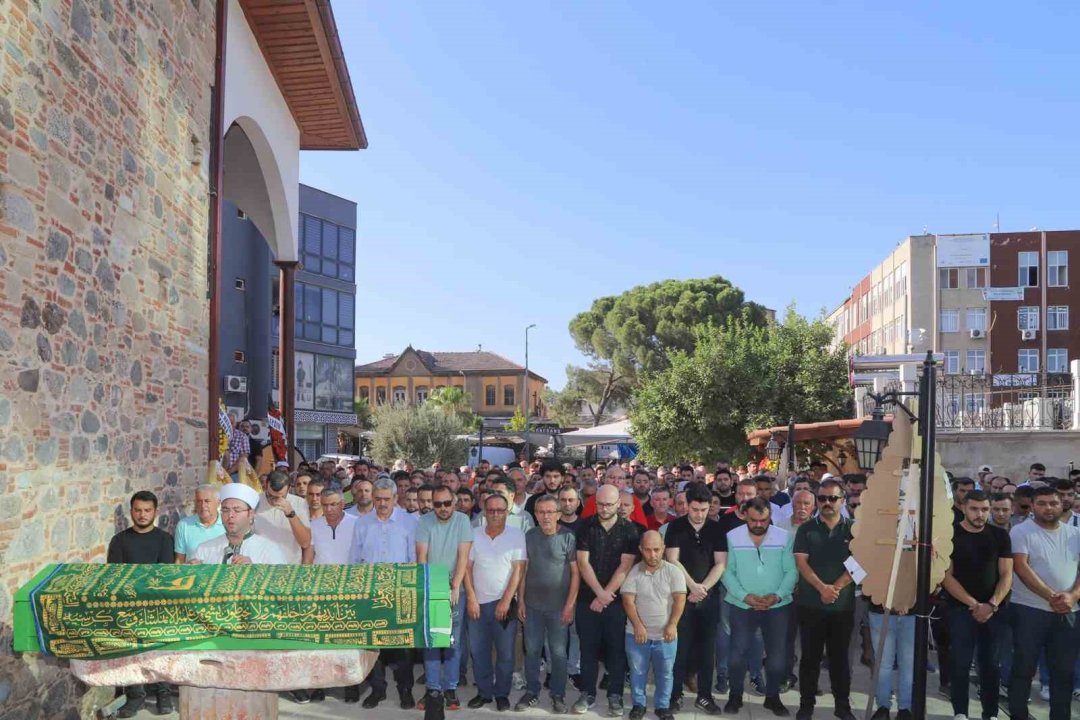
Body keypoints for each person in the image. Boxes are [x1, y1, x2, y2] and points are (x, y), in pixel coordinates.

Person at [1008, 486, 1080, 720]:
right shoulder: (1021, 532)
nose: (1048, 508)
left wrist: (1073, 596)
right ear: (1033, 506)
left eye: (1053, 503)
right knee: (1024, 668)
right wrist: (1052, 596)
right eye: (1042, 503)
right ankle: (1019, 715)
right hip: (1030, 611)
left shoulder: (1075, 534)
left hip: (1068, 611)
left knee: (1064, 672)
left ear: (1062, 505)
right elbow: (1021, 567)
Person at [940, 489, 1012, 720]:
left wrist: (991, 605)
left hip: (994, 611)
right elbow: (946, 577)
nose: (980, 514)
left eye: (984, 509)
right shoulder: (950, 535)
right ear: (963, 508)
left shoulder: (1000, 536)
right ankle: (960, 712)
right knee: (960, 663)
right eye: (974, 509)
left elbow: (1006, 574)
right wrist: (974, 604)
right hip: (960, 609)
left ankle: (990, 713)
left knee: (991, 665)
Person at [721, 498, 796, 716]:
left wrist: (777, 596)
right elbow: (726, 571)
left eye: (763, 520)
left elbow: (791, 571)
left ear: (770, 516)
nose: (758, 524)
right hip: (741, 605)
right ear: (744, 515)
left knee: (777, 655)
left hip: (777, 606)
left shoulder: (784, 537)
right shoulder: (732, 538)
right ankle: (735, 695)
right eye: (753, 520)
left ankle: (773, 697)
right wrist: (745, 596)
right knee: (736, 655)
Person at [572, 484, 641, 716]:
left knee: (616, 650)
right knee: (588, 649)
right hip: (586, 599)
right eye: (600, 504)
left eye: (609, 504)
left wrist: (605, 596)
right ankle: (588, 693)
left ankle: (615, 696)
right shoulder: (584, 526)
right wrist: (598, 594)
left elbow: (626, 565)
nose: (603, 508)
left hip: (616, 601)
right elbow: (583, 563)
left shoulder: (630, 530)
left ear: (618, 504)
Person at [353, 477, 419, 709]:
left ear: (395, 498)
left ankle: (405, 690)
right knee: (373, 645)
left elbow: (413, 559)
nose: (382, 503)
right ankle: (378, 690)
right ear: (373, 498)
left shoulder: (409, 523)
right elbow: (355, 559)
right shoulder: (362, 523)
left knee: (402, 647)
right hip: (370, 592)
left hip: (399, 592)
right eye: (378, 499)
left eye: (386, 499)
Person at [793, 479, 856, 720]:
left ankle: (843, 707)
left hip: (842, 607)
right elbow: (801, 563)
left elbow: (860, 565)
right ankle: (806, 705)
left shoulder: (854, 530)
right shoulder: (806, 529)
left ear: (843, 500)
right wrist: (822, 588)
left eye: (832, 498)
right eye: (822, 498)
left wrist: (836, 588)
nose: (827, 503)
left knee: (840, 660)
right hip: (811, 605)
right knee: (810, 658)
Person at [109, 491, 175, 718]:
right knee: (131, 650)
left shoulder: (165, 539)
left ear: (155, 512)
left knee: (161, 648)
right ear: (131, 512)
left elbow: (164, 576)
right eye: (138, 510)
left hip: (158, 605)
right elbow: (115, 577)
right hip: (129, 606)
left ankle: (163, 693)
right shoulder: (119, 541)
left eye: (147, 510)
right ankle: (135, 695)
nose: (142, 515)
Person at [664, 483, 727, 715]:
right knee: (679, 647)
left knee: (706, 649)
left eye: (704, 509)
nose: (699, 514)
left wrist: (703, 589)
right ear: (686, 506)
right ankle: (675, 694)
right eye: (694, 509)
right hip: (681, 596)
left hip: (708, 598)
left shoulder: (717, 529)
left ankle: (704, 696)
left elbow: (721, 563)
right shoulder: (675, 527)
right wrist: (692, 586)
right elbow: (672, 559)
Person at [463, 493, 527, 712]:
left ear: (507, 511)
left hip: (504, 604)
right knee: (479, 652)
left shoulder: (517, 535)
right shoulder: (473, 534)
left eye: (501, 510)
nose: (496, 515)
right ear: (484, 511)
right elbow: (467, 569)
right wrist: (471, 598)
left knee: (506, 653)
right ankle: (484, 692)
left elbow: (519, 569)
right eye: (491, 510)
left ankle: (501, 693)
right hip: (477, 604)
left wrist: (507, 601)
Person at [516, 495, 579, 713]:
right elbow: (522, 571)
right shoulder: (529, 536)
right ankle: (532, 692)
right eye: (541, 512)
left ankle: (557, 695)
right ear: (535, 515)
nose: (545, 516)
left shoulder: (568, 537)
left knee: (559, 653)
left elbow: (575, 574)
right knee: (532, 650)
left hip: (559, 608)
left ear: (559, 514)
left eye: (550, 512)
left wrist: (570, 605)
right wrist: (521, 600)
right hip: (532, 606)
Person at [416, 485, 474, 712]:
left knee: (453, 641)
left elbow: (463, 557)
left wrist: (456, 586)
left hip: (454, 586)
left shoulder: (463, 521)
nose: (442, 508)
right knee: (431, 640)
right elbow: (421, 556)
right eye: (437, 504)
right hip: (432, 585)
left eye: (446, 503)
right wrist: (427, 588)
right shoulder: (424, 522)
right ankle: (432, 687)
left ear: (454, 502)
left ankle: (450, 687)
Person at [622, 530, 687, 720]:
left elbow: (679, 600)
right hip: (636, 634)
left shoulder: (674, 571)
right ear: (641, 549)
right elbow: (628, 601)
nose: (653, 555)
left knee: (666, 673)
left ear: (664, 548)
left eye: (657, 550)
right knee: (637, 671)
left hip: (666, 634)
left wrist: (672, 625)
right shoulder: (633, 572)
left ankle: (662, 706)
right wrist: (638, 627)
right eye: (648, 550)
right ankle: (638, 705)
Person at [307, 486, 361, 703]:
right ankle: (321, 685)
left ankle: (351, 686)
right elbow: (309, 558)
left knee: (349, 643)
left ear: (342, 504)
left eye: (333, 504)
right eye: (325, 504)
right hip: (321, 591)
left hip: (349, 591)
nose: (329, 509)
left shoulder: (356, 524)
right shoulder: (314, 526)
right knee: (322, 642)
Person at [189, 483, 288, 565]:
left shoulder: (269, 550)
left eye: (237, 510)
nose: (230, 515)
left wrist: (254, 571)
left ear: (251, 514)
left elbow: (280, 585)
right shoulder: (204, 550)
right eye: (226, 510)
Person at [255, 470, 313, 564]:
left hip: (290, 567)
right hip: (261, 566)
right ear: (266, 485)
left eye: (281, 497)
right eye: (271, 496)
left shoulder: (300, 503)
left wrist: (291, 514)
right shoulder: (254, 502)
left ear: (289, 488)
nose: (275, 500)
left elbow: (305, 543)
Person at [173, 484, 224, 564]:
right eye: (199, 501)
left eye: (207, 501)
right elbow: (179, 560)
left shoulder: (227, 524)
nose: (203, 506)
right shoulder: (184, 526)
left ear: (218, 503)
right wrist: (188, 565)